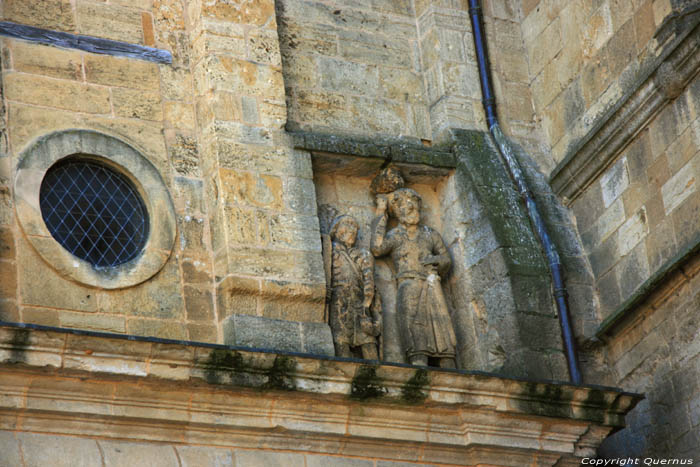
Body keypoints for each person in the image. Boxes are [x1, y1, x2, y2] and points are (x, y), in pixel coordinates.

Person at [370, 188, 456, 368]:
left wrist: (434, 261)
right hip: (408, 285)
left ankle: (447, 361)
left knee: (440, 327)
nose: (411, 210)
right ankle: (419, 362)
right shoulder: (396, 235)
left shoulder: (430, 234)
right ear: (398, 213)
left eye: (414, 206)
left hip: (431, 284)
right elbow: (377, 249)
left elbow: (446, 258)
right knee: (412, 326)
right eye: (406, 208)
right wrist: (380, 212)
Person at [328, 215, 381, 359]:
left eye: (354, 227)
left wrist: (367, 304)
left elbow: (369, 281)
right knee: (341, 340)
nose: (352, 230)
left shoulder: (363, 254)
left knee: (368, 341)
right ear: (336, 230)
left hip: (360, 304)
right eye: (347, 224)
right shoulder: (330, 251)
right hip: (339, 303)